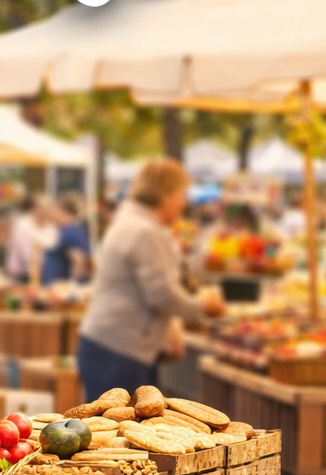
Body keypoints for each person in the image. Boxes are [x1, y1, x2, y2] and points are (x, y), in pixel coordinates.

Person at [76, 157, 224, 402]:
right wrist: (201, 307)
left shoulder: (131, 222)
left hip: (112, 345)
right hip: (121, 350)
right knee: (122, 424)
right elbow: (161, 294)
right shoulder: (144, 231)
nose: (183, 203)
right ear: (165, 194)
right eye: (181, 194)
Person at [40, 194, 90, 284]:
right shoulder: (66, 229)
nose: (52, 215)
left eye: (55, 211)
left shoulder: (70, 231)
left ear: (63, 211)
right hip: (55, 286)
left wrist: (72, 285)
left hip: (61, 286)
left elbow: (79, 260)